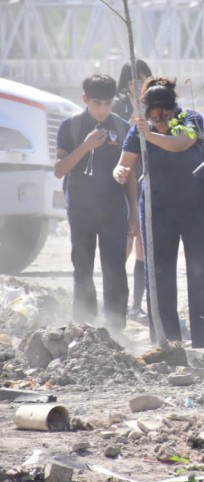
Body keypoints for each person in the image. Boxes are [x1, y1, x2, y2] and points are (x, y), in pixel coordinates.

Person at [113, 78, 204, 354]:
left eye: (165, 117)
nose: (161, 123)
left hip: (197, 206)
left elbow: (182, 144)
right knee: (160, 273)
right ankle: (167, 341)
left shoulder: (191, 119)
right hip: (158, 209)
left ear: (173, 108)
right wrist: (120, 172)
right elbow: (123, 163)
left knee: (203, 272)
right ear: (148, 111)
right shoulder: (138, 129)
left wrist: (148, 133)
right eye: (155, 118)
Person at [54, 74, 137, 331]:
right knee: (82, 269)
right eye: (97, 103)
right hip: (80, 211)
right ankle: (85, 326)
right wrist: (85, 146)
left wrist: (134, 213)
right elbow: (59, 170)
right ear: (85, 99)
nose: (103, 110)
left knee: (115, 271)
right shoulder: (71, 127)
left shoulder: (122, 128)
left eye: (108, 104)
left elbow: (130, 173)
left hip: (113, 210)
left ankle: (116, 329)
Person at [113, 59, 152, 321]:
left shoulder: (156, 103)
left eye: (142, 80)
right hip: (123, 175)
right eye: (133, 82)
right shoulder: (117, 105)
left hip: (145, 177)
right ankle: (116, 300)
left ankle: (136, 304)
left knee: (143, 245)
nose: (138, 86)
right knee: (125, 239)